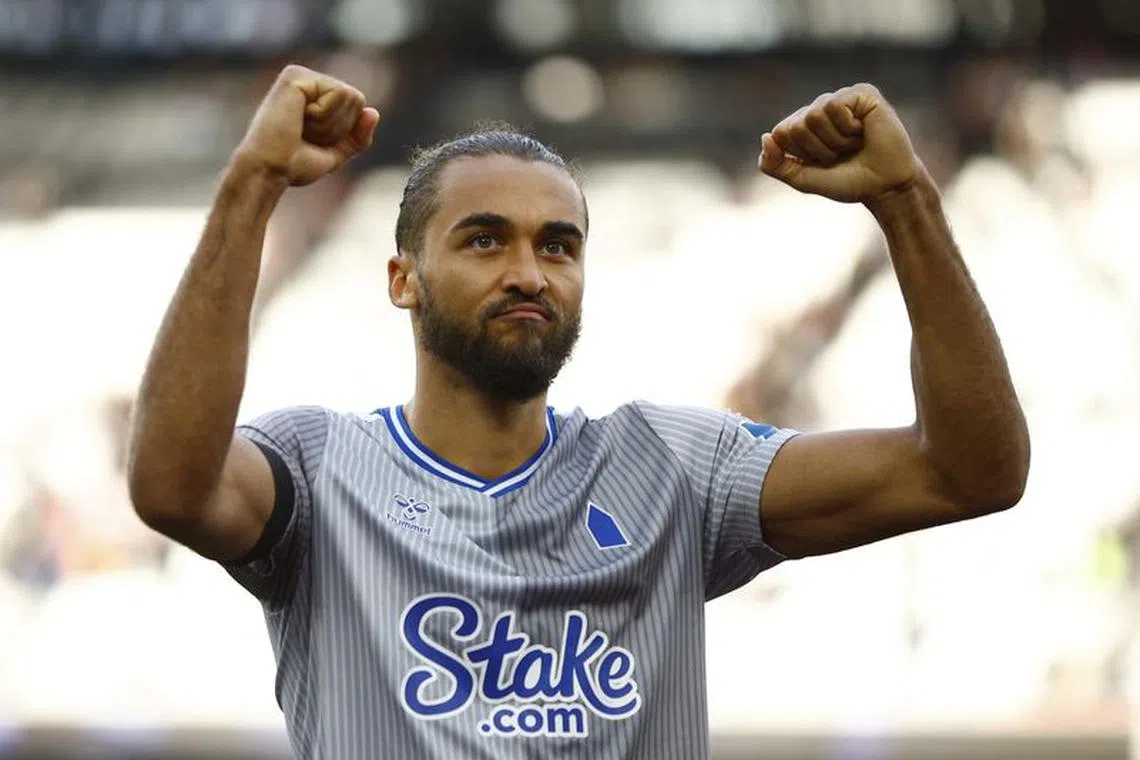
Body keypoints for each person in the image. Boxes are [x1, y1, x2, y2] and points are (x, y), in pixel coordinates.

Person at [127, 65, 1030, 759]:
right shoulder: (317, 469)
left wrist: (905, 202)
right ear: (402, 278)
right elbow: (171, 485)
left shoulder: (674, 469)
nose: (528, 271)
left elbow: (969, 470)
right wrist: (254, 182)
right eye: (484, 239)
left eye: (558, 246)